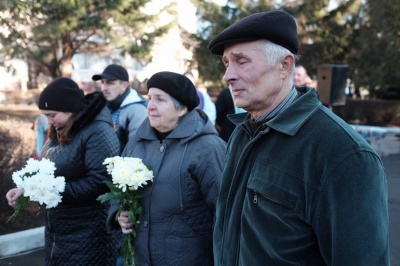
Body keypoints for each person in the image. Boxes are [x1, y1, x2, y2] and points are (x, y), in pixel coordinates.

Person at [207, 10, 389, 265]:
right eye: (227, 63)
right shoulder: (242, 132)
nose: (228, 76)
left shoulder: (343, 153)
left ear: (285, 65)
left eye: (241, 61)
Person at [107, 71, 227, 265]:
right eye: (149, 98)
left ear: (181, 109)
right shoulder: (137, 142)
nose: (150, 106)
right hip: (141, 258)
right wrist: (120, 213)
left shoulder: (208, 148)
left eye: (160, 100)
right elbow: (117, 189)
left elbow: (226, 214)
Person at [6, 77, 120, 265]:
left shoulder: (98, 131)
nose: (48, 121)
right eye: (45, 115)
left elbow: (101, 182)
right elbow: (49, 169)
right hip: (59, 232)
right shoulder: (61, 127)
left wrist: (52, 190)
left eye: (52, 114)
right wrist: (26, 189)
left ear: (71, 109)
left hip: (89, 233)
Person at [92, 64, 147, 152]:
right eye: (102, 82)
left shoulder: (136, 110)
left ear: (124, 86)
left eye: (110, 83)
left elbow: (136, 150)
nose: (104, 88)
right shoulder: (104, 105)